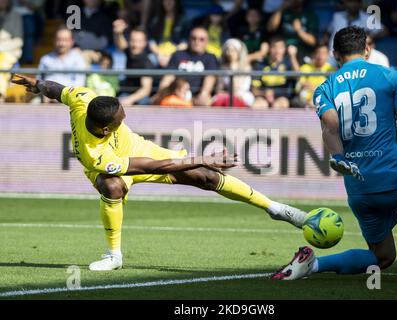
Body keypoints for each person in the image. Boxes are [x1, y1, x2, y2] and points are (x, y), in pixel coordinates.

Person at [12, 73, 307, 271]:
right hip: (120, 166)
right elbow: (155, 168)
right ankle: (114, 255)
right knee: (113, 187)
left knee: (205, 176)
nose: (125, 117)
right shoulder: (96, 154)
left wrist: (36, 83)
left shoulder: (84, 100)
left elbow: (56, 90)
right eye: (120, 119)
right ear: (105, 128)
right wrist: (204, 157)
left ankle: (276, 208)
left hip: (139, 150)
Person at [272, 26, 397, 280]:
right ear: (367, 49)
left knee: (383, 257)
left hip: (359, 191)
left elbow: (330, 130)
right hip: (395, 181)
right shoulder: (392, 77)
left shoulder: (325, 88)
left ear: (335, 54)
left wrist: (338, 157)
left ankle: (313, 265)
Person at [158, 27, 219, 106]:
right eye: (194, 38)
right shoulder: (178, 55)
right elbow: (168, 77)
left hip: (197, 97)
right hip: (176, 95)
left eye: (201, 39)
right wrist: (161, 93)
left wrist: (203, 94)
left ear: (207, 41)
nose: (197, 42)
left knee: (206, 101)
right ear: (189, 39)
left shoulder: (210, 58)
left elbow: (210, 78)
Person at [251, 35, 299, 109]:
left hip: (283, 98)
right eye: (274, 47)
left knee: (280, 104)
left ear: (285, 49)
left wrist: (292, 56)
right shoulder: (260, 65)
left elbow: (298, 75)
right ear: (269, 49)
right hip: (263, 98)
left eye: (281, 47)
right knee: (257, 105)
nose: (277, 51)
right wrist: (264, 93)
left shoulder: (289, 63)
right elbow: (254, 89)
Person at [113, 21, 153, 105]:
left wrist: (129, 99)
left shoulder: (147, 63)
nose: (135, 45)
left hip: (140, 97)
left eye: (138, 41)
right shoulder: (130, 52)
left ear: (145, 43)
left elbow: (146, 90)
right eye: (133, 40)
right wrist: (118, 33)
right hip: (127, 91)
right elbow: (121, 45)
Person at [212, 38, 254, 107]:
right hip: (227, 95)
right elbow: (219, 89)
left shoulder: (245, 67)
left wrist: (232, 66)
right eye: (228, 50)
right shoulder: (223, 68)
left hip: (242, 95)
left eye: (233, 50)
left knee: (233, 101)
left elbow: (236, 87)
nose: (230, 53)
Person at [148, 0, 188, 68]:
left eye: (171, 0)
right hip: (158, 54)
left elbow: (185, 43)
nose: (168, 2)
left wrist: (171, 55)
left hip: (176, 53)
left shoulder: (183, 20)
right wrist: (159, 54)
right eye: (165, 0)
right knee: (149, 59)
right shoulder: (155, 19)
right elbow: (151, 41)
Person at [293, 44, 334, 109]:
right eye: (318, 52)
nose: (320, 56)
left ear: (328, 55)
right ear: (313, 54)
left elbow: (332, 91)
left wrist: (314, 88)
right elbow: (298, 86)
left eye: (323, 53)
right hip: (304, 102)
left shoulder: (332, 70)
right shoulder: (305, 68)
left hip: (322, 102)